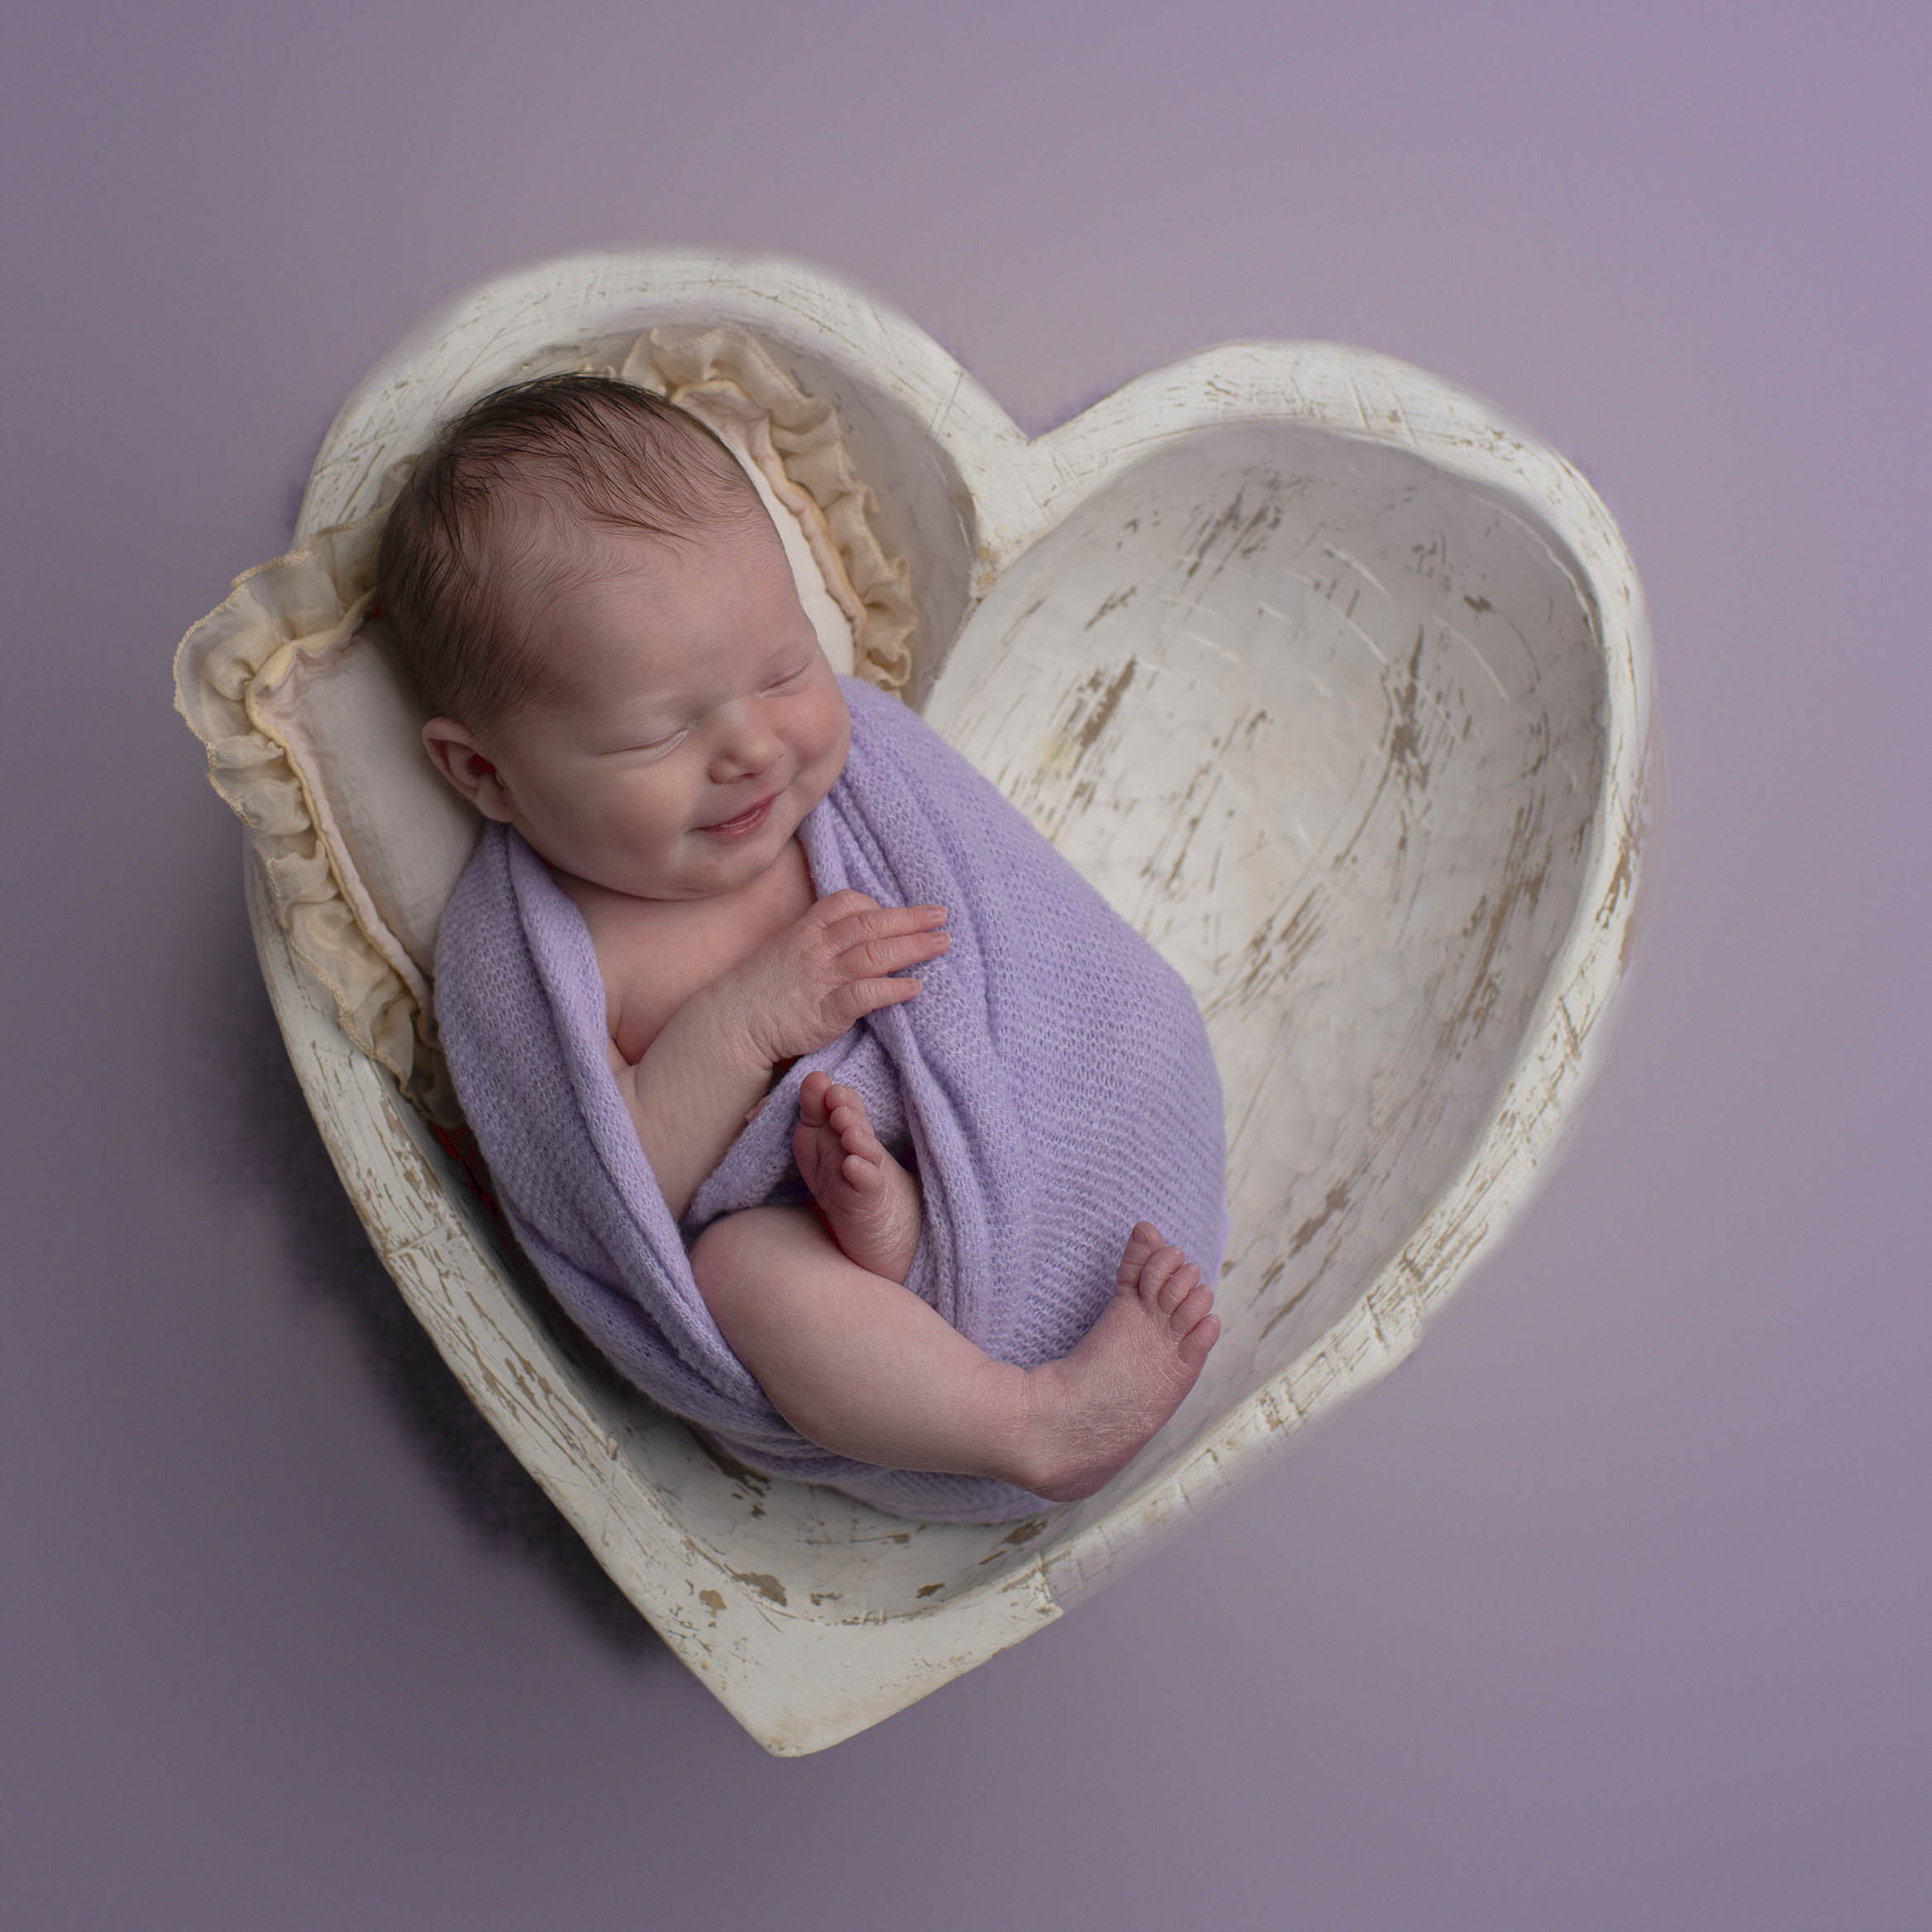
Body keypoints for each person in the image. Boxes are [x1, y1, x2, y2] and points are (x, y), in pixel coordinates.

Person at [380, 374, 1219, 1503]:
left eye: (783, 669)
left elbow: (1010, 930)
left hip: (1033, 1146)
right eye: (658, 730)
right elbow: (612, 1188)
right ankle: (1027, 1417)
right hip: (838, 1289)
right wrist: (749, 1018)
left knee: (917, 1155)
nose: (752, 748)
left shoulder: (862, 767)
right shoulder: (537, 944)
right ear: (484, 771)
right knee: (744, 1270)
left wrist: (902, 1175)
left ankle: (903, 1225)